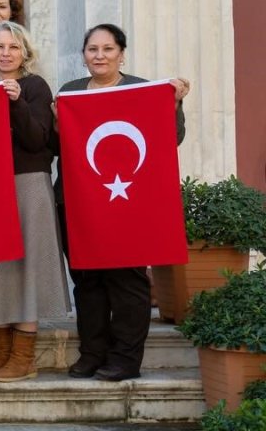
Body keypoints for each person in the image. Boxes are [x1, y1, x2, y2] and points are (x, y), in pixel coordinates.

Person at [55, 23, 190, 382]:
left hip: (126, 204)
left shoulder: (141, 90)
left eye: (108, 49)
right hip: (78, 204)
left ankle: (125, 358)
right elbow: (57, 147)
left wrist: (174, 103)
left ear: (121, 53)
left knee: (127, 282)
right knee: (87, 282)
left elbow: (169, 138)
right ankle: (92, 354)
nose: (99, 55)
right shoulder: (68, 93)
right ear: (83, 54)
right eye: (92, 49)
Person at [0, 21, 70, 382]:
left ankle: (24, 356)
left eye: (13, 47)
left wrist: (15, 102)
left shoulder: (34, 86)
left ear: (24, 53)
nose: (6, 53)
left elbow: (36, 139)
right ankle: (1, 351)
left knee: (27, 265)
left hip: (29, 184)